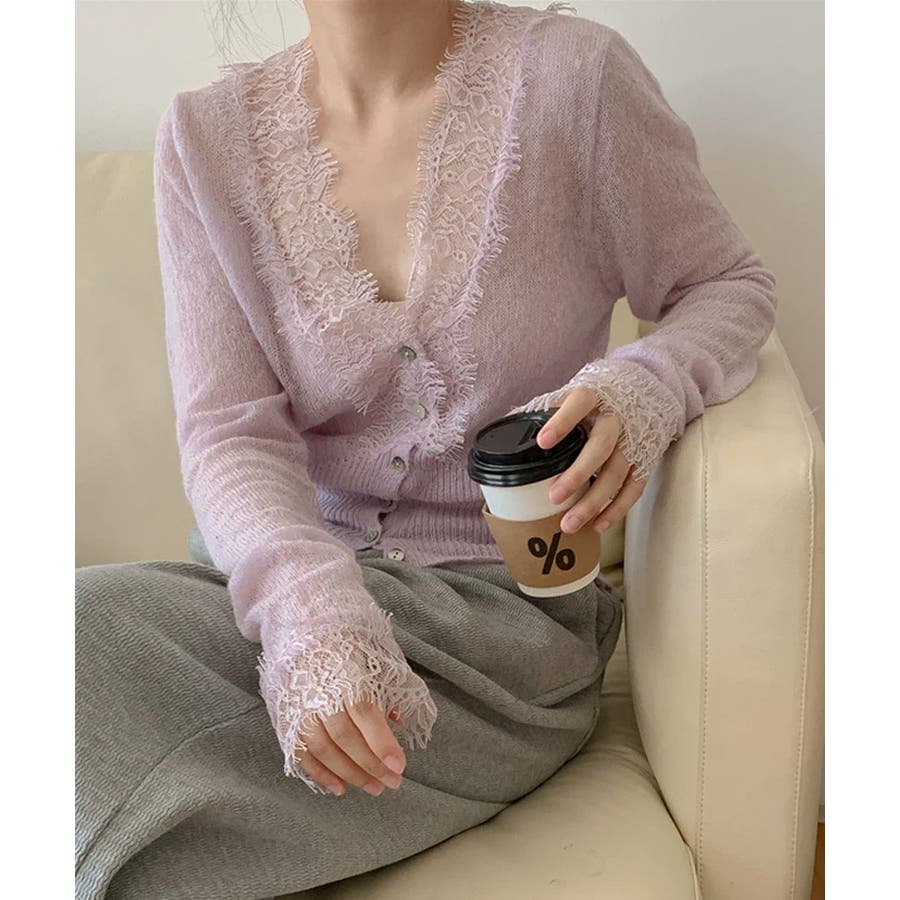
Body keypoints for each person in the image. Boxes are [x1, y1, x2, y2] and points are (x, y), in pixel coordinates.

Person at [74, 1, 777, 897]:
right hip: (270, 613)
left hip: (500, 633)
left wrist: (647, 385)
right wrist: (308, 617)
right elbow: (228, 430)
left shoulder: (577, 82)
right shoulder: (203, 141)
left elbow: (725, 284)